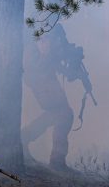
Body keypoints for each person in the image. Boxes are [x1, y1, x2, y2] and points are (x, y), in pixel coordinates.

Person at [21, 24, 83, 171]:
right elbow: (42, 59)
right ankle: (56, 161)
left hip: (44, 77)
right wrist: (56, 53)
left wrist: (73, 65)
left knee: (57, 114)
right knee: (64, 114)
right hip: (40, 77)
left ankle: (23, 138)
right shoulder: (44, 27)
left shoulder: (53, 26)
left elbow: (63, 69)